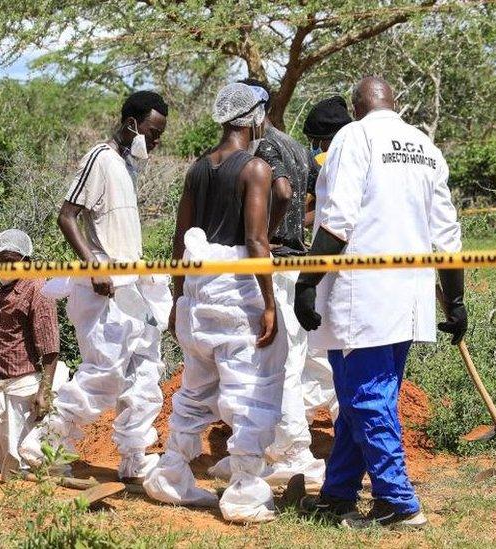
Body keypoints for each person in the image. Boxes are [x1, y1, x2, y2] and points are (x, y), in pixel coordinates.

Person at [294, 77, 466, 529]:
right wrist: (456, 301)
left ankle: (398, 502)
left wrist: (307, 281)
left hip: (362, 297)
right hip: (406, 300)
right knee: (359, 396)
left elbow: (338, 219)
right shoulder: (425, 147)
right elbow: (447, 235)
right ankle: (338, 495)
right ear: (395, 102)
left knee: (368, 398)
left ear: (356, 107)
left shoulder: (354, 136)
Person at [143, 82, 288, 523]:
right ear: (255, 117)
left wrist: (177, 296)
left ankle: (171, 475)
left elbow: (179, 239)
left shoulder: (198, 168)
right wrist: (269, 304)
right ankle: (244, 491)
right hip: (236, 292)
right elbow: (256, 240)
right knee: (248, 390)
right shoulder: (256, 169)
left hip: (199, 291)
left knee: (196, 387)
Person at [19, 91, 172, 482]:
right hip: (104, 285)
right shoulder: (100, 158)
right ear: (132, 124)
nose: (155, 141)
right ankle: (43, 444)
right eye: (152, 133)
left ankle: (134, 457)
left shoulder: (127, 166)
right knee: (105, 371)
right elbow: (67, 216)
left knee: (143, 372)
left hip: (130, 284)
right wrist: (93, 265)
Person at [223, 78, 325, 487]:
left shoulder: (264, 147)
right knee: (293, 359)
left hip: (277, 262)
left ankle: (290, 449)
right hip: (295, 262)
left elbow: (281, 191)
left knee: (276, 364)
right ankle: (282, 447)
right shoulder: (298, 146)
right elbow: (314, 197)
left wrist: (263, 230)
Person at [0, 229, 64, 474]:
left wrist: (44, 391)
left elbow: (50, 346)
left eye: (10, 262)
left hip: (22, 386)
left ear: (25, 262)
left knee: (20, 461)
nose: (4, 267)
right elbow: (12, 329)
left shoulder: (39, 289)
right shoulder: (4, 289)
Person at [298, 96, 352, 420]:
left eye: (317, 141)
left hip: (340, 272)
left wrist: (306, 280)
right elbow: (320, 210)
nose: (316, 148)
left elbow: (336, 223)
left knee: (337, 361)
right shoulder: (338, 158)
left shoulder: (342, 157)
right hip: (333, 269)